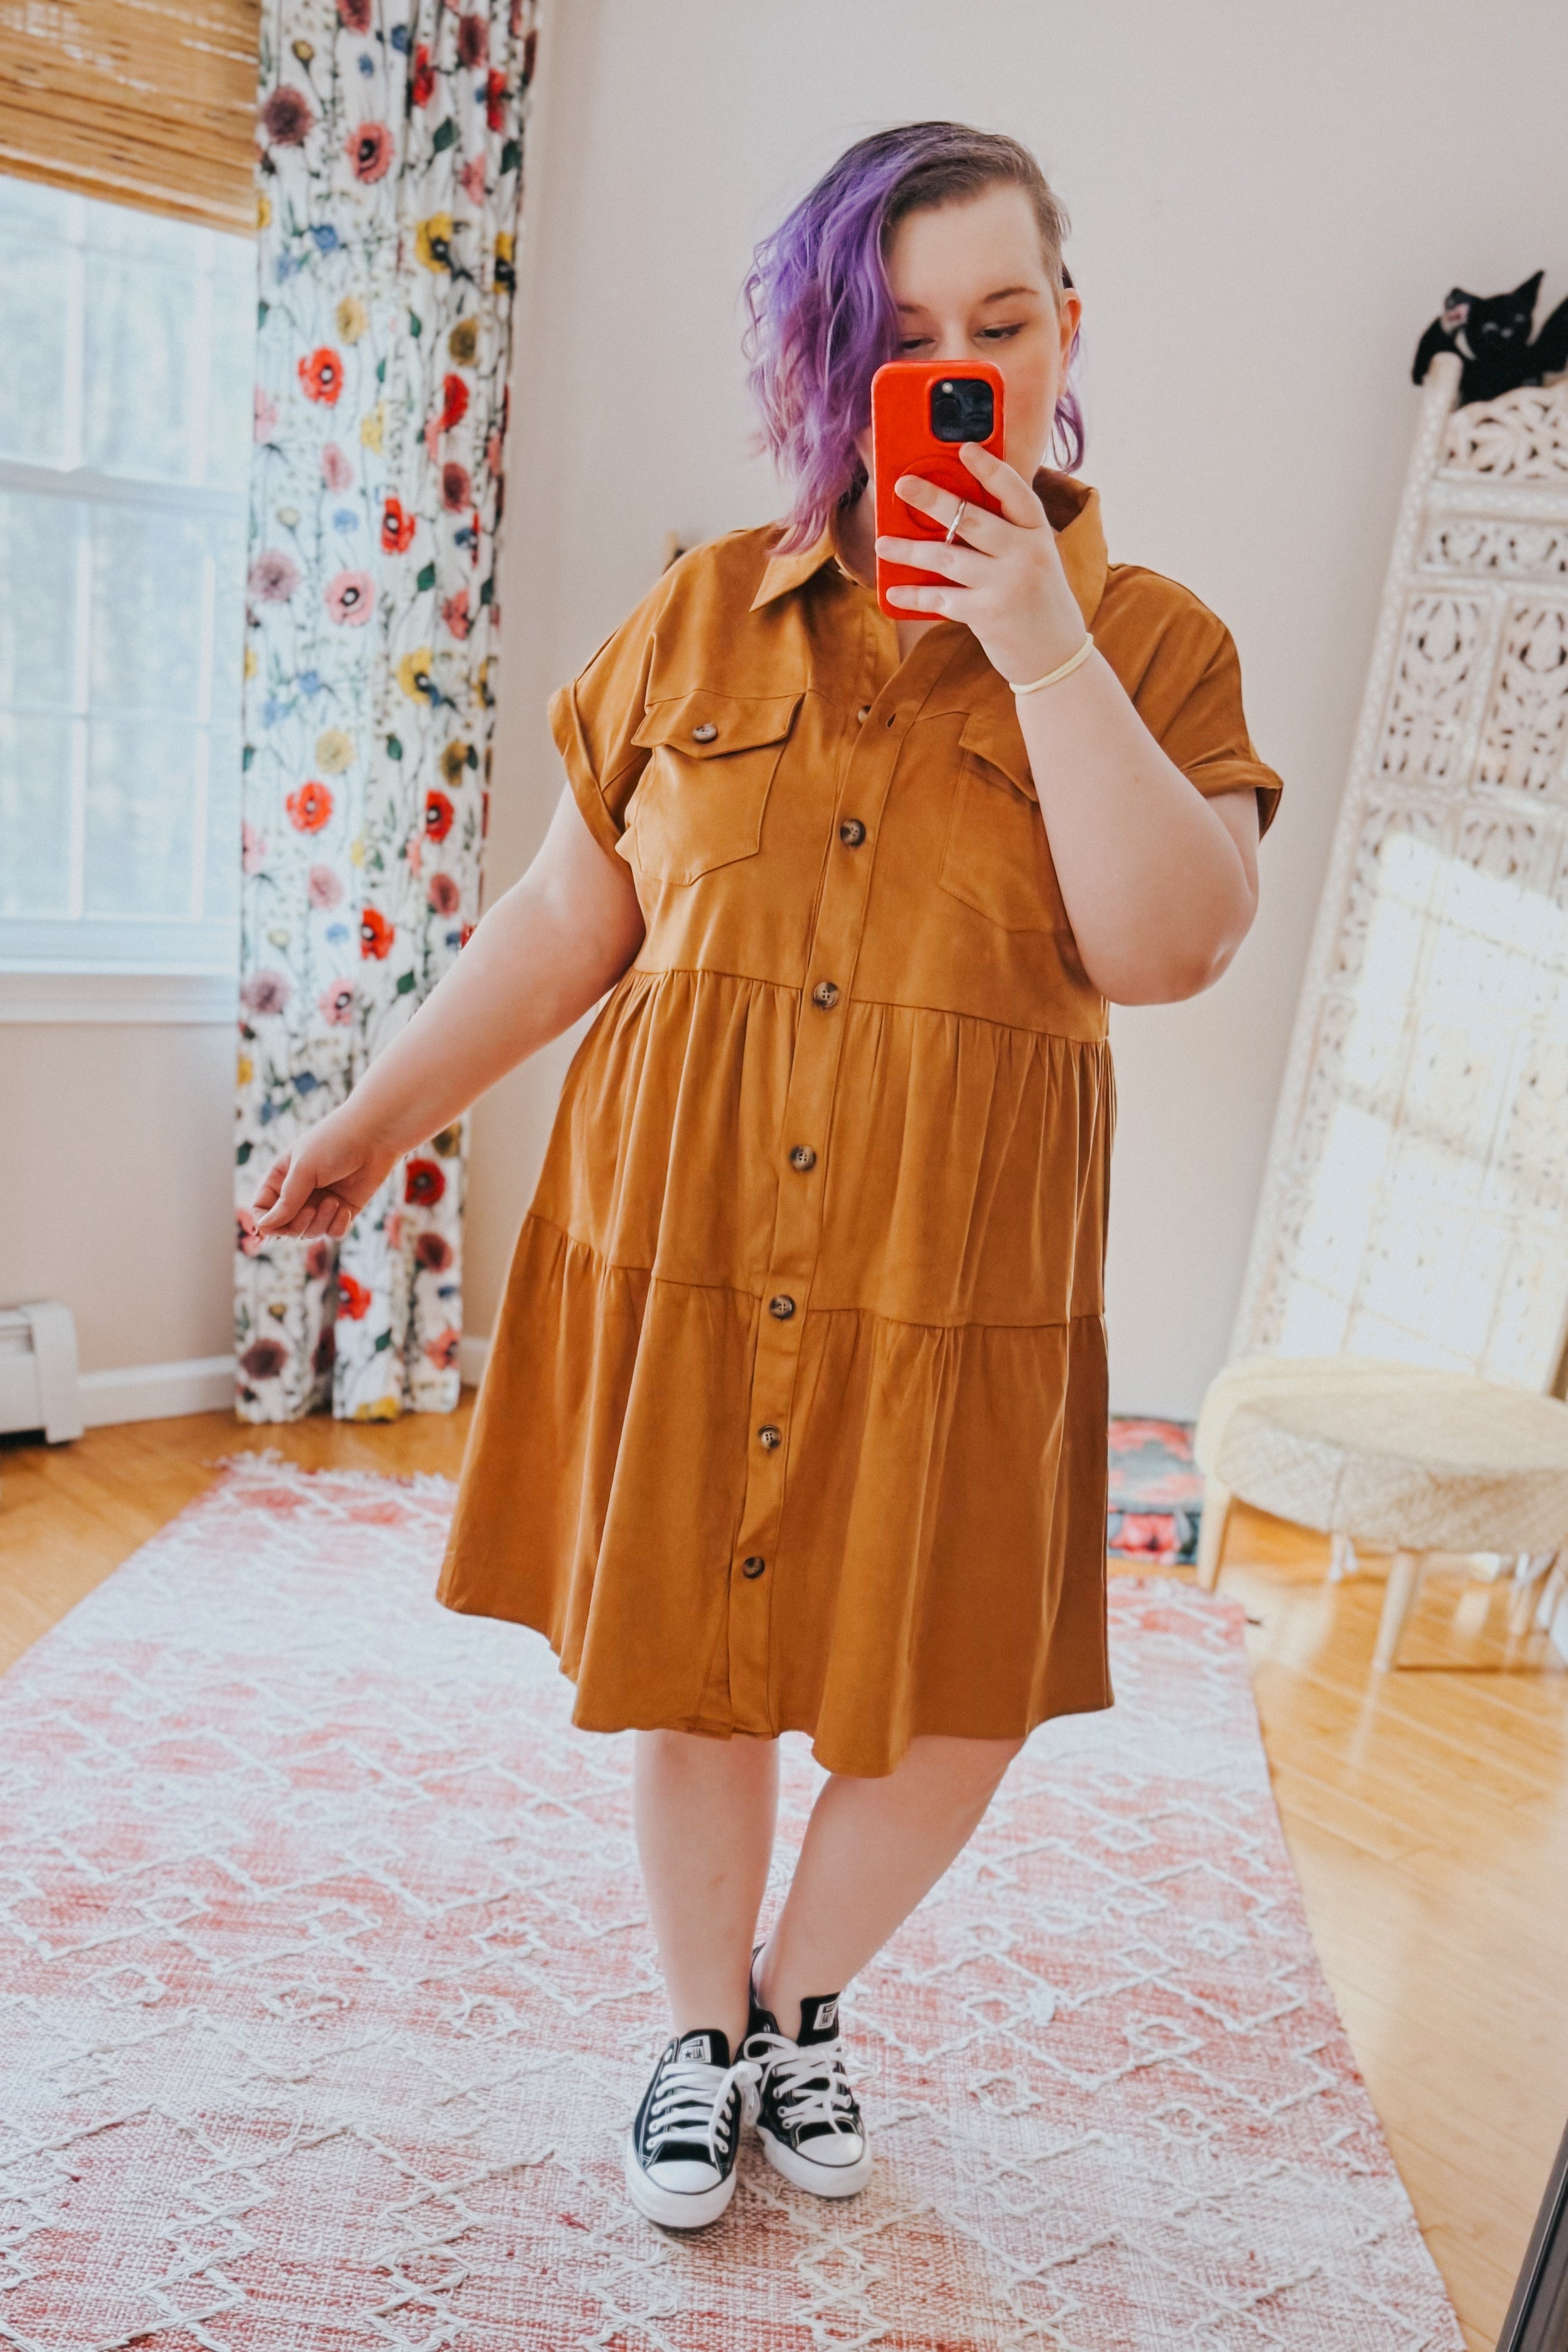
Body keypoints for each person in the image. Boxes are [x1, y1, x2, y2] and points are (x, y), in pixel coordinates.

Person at [245, 120, 1280, 2233]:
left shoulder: (1153, 642)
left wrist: (1036, 641)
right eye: (901, 338)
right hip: (695, 1239)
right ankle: (702, 2038)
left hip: (961, 1273)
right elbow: (563, 927)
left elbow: (1172, 944)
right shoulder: (703, 616)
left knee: (959, 1690)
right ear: (831, 360)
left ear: (1063, 334)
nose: (957, 366)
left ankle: (800, 2001)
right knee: (696, 1662)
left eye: (997, 325)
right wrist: (368, 1120)